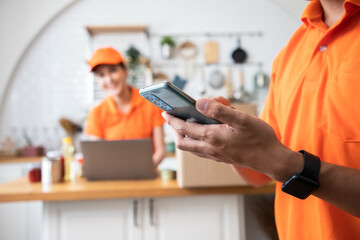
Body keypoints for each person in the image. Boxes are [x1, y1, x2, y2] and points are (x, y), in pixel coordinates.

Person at [162, 0, 360, 239]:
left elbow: (279, 163)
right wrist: (232, 144)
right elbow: (260, 174)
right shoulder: (290, 52)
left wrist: (290, 167)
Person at [85, 47, 166, 167]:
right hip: (112, 180)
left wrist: (142, 170)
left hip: (147, 176)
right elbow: (98, 156)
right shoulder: (96, 113)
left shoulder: (150, 104)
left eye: (113, 71)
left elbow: (160, 152)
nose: (108, 79)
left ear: (125, 70)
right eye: (101, 75)